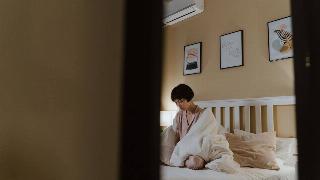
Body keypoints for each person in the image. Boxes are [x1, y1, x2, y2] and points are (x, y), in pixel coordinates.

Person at [171, 84, 205, 170]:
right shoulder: (179, 115)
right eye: (176, 102)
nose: (178, 105)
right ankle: (181, 160)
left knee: (196, 162)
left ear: (189, 98)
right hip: (183, 150)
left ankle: (181, 161)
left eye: (181, 101)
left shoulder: (203, 114)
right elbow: (176, 136)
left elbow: (206, 137)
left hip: (197, 151)